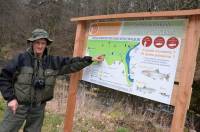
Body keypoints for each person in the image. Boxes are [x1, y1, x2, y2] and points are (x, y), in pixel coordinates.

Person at [0, 28, 104, 132]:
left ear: (46, 45)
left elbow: (71, 63)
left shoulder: (52, 61)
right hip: (18, 106)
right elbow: (4, 77)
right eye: (37, 43)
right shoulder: (21, 58)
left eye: (43, 43)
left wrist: (90, 59)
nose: (40, 46)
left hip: (38, 109)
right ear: (32, 43)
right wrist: (11, 98)